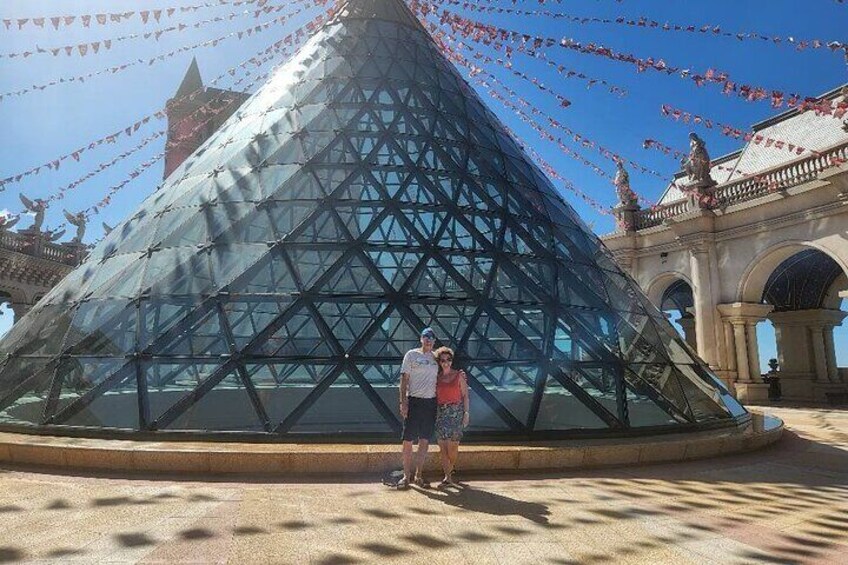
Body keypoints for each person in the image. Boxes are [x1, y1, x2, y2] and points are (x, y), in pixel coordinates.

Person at [398, 327, 439, 489]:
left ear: (434, 341)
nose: (428, 340)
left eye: (431, 337)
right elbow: (403, 380)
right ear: (420, 338)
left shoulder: (436, 358)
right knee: (408, 440)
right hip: (414, 402)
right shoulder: (411, 355)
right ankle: (405, 475)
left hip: (430, 403)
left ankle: (418, 475)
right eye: (425, 336)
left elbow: (448, 373)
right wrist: (403, 402)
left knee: (424, 440)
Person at [433, 346, 469, 487]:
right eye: (442, 360)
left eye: (448, 359)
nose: (446, 362)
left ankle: (450, 470)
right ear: (439, 362)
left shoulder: (459, 375)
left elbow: (465, 395)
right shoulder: (437, 378)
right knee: (443, 447)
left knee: (453, 447)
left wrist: (466, 413)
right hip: (441, 412)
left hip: (456, 412)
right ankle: (447, 477)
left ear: (452, 360)